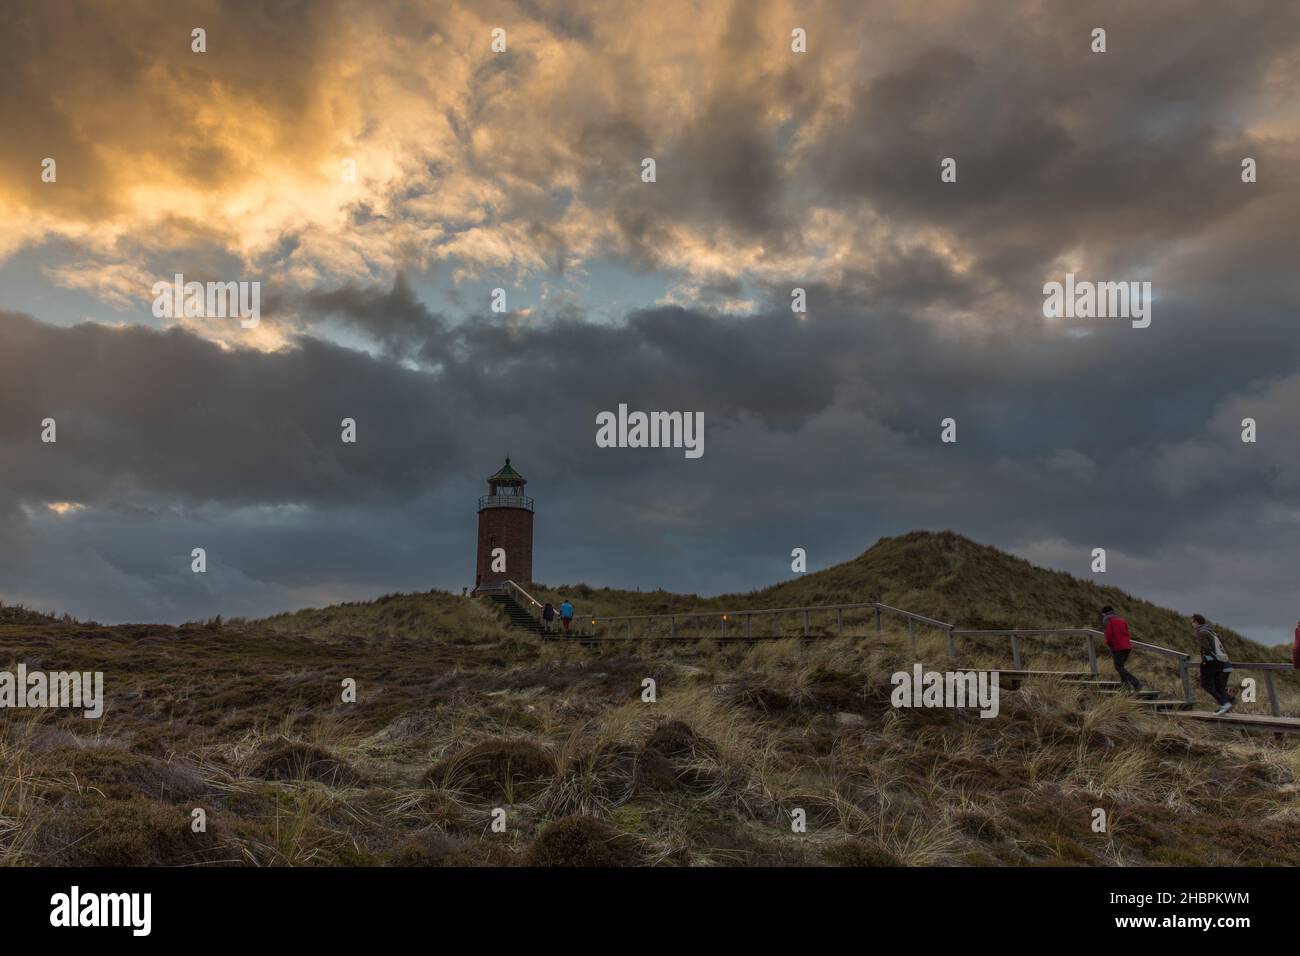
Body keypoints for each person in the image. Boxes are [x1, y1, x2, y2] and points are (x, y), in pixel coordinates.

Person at [1193, 614, 1234, 714]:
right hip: (1221, 661)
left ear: (1196, 622)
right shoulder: (1210, 631)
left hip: (1212, 662)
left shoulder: (1201, 632)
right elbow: (1222, 641)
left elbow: (1206, 649)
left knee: (1205, 684)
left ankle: (1224, 703)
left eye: (1192, 621)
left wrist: (1206, 661)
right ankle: (1226, 703)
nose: (1192, 624)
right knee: (1217, 685)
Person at [1101, 606, 1144, 692]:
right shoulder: (1121, 620)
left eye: (1103, 614)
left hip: (1118, 647)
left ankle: (1136, 683)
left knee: (1118, 667)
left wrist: (1109, 644)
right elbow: (1126, 632)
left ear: (1105, 613)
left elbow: (1108, 635)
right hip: (1127, 646)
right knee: (1121, 667)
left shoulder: (1108, 620)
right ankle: (1124, 688)